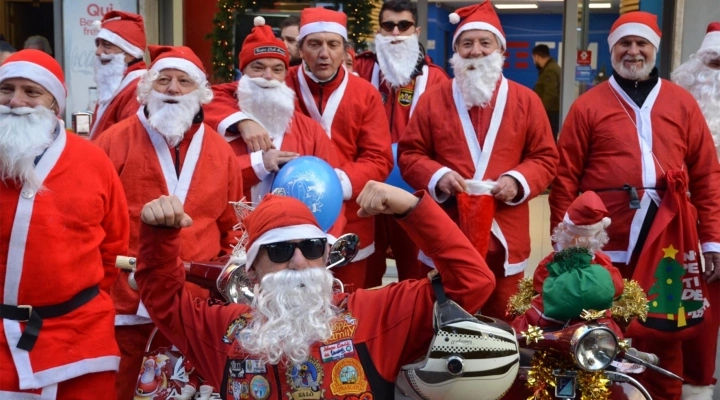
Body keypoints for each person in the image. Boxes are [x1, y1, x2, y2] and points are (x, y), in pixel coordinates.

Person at [135, 180, 496, 398]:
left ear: (325, 255)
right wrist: (160, 236)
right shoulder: (227, 332)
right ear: (253, 271)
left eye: (309, 248)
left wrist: (410, 208)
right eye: (278, 251)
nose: (297, 262)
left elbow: (472, 282)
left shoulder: (373, 312)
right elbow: (165, 301)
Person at [551, 12, 720, 400]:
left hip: (670, 243)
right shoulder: (588, 106)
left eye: (641, 43)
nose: (633, 51)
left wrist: (711, 241)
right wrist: (564, 245)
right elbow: (565, 178)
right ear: (611, 51)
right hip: (607, 244)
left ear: (654, 49)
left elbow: (707, 176)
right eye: (624, 44)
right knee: (603, 329)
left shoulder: (683, 103)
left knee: (666, 333)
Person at [94, 45, 244, 400]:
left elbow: (232, 228)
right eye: (164, 80)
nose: (174, 89)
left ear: (202, 93)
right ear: (147, 89)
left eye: (184, 81)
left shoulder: (222, 152)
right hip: (127, 301)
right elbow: (92, 223)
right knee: (121, 388)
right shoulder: (113, 142)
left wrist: (223, 288)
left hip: (194, 307)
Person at [398, 0, 558, 321]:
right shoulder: (433, 100)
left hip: (505, 233)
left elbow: (545, 157)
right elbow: (410, 154)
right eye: (466, 43)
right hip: (446, 226)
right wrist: (438, 176)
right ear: (456, 51)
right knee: (442, 315)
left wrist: (517, 181)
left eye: (485, 43)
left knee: (504, 319)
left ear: (501, 51)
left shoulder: (526, 101)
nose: (475, 51)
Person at [229, 7, 393, 291]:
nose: (324, 53)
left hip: (348, 220)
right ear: (300, 48)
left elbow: (379, 158)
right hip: (280, 230)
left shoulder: (364, 93)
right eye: (314, 44)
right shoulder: (279, 79)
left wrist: (330, 185)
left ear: (345, 50)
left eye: (333, 44)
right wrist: (240, 120)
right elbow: (219, 94)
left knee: (345, 312)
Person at [0, 50, 129, 398]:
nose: (16, 101)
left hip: (79, 335)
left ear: (53, 103)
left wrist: (72, 293)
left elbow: (115, 245)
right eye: (6, 89)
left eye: (31, 91)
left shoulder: (92, 161)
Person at [353, 0, 450, 287]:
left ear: (416, 30)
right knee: (363, 274)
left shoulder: (437, 80)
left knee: (415, 276)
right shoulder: (359, 69)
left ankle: (411, 330)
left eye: (404, 25)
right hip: (363, 192)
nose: (396, 32)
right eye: (388, 25)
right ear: (380, 31)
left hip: (414, 194)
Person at [205, 17, 341, 214]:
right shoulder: (218, 124)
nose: (268, 77)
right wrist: (258, 160)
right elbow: (206, 180)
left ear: (285, 75)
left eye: (277, 69)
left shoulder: (310, 131)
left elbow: (330, 191)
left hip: (291, 240)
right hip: (232, 239)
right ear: (242, 74)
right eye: (258, 68)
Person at [671, 21, 720, 400]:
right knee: (693, 323)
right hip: (695, 234)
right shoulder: (676, 114)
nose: (715, 76)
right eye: (712, 63)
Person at [512, 191, 624, 333]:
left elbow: (539, 282)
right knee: (610, 334)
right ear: (598, 236)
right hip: (594, 321)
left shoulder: (554, 260)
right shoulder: (601, 261)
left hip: (551, 322)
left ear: (563, 231)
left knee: (528, 331)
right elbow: (616, 286)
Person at [89, 11, 147, 139]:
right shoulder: (117, 82)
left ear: (131, 53)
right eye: (98, 44)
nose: (98, 52)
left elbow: (128, 140)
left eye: (107, 45)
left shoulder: (139, 89)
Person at [532, 44, 561, 139]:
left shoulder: (550, 70)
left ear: (537, 57)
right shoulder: (552, 67)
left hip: (550, 114)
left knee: (548, 139)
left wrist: (540, 112)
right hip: (551, 112)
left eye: (533, 58)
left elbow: (550, 94)